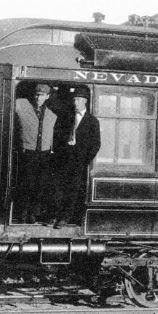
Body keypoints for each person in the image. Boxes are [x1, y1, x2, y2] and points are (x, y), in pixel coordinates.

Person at [50, 87, 100, 229]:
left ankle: (65, 218)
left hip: (79, 162)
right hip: (64, 159)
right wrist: (59, 153)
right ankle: (56, 216)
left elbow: (96, 144)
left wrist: (85, 160)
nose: (75, 102)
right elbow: (57, 137)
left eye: (78, 99)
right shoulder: (66, 117)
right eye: (74, 99)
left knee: (73, 190)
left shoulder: (92, 121)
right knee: (59, 188)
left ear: (84, 101)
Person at [14, 84, 57, 224]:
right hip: (28, 152)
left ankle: (32, 213)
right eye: (37, 94)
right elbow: (0, 101)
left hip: (44, 154)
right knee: (26, 184)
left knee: (39, 185)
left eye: (42, 95)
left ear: (47, 97)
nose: (38, 97)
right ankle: (22, 213)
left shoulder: (51, 114)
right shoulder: (22, 104)